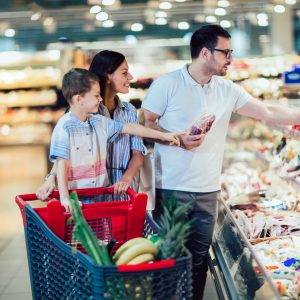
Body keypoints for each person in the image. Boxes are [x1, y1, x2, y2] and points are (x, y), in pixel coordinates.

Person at [141, 24, 300, 299]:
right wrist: (175, 138)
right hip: (170, 188)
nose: (230, 58)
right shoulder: (167, 84)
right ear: (205, 53)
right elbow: (146, 123)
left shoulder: (228, 90)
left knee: (199, 263)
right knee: (167, 260)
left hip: (208, 191)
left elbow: (266, 110)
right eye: (226, 52)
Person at [51, 68, 179, 212]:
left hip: (100, 198)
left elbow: (131, 128)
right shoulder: (64, 128)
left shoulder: (98, 122)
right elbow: (62, 164)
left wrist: (164, 135)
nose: (100, 99)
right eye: (96, 95)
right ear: (79, 99)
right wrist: (64, 197)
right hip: (76, 203)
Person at [37, 50, 145, 200]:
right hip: (94, 194)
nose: (130, 77)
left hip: (124, 192)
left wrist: (126, 179)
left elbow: (138, 154)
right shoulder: (84, 112)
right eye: (124, 73)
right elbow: (67, 154)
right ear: (108, 76)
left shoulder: (130, 111)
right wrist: (51, 177)